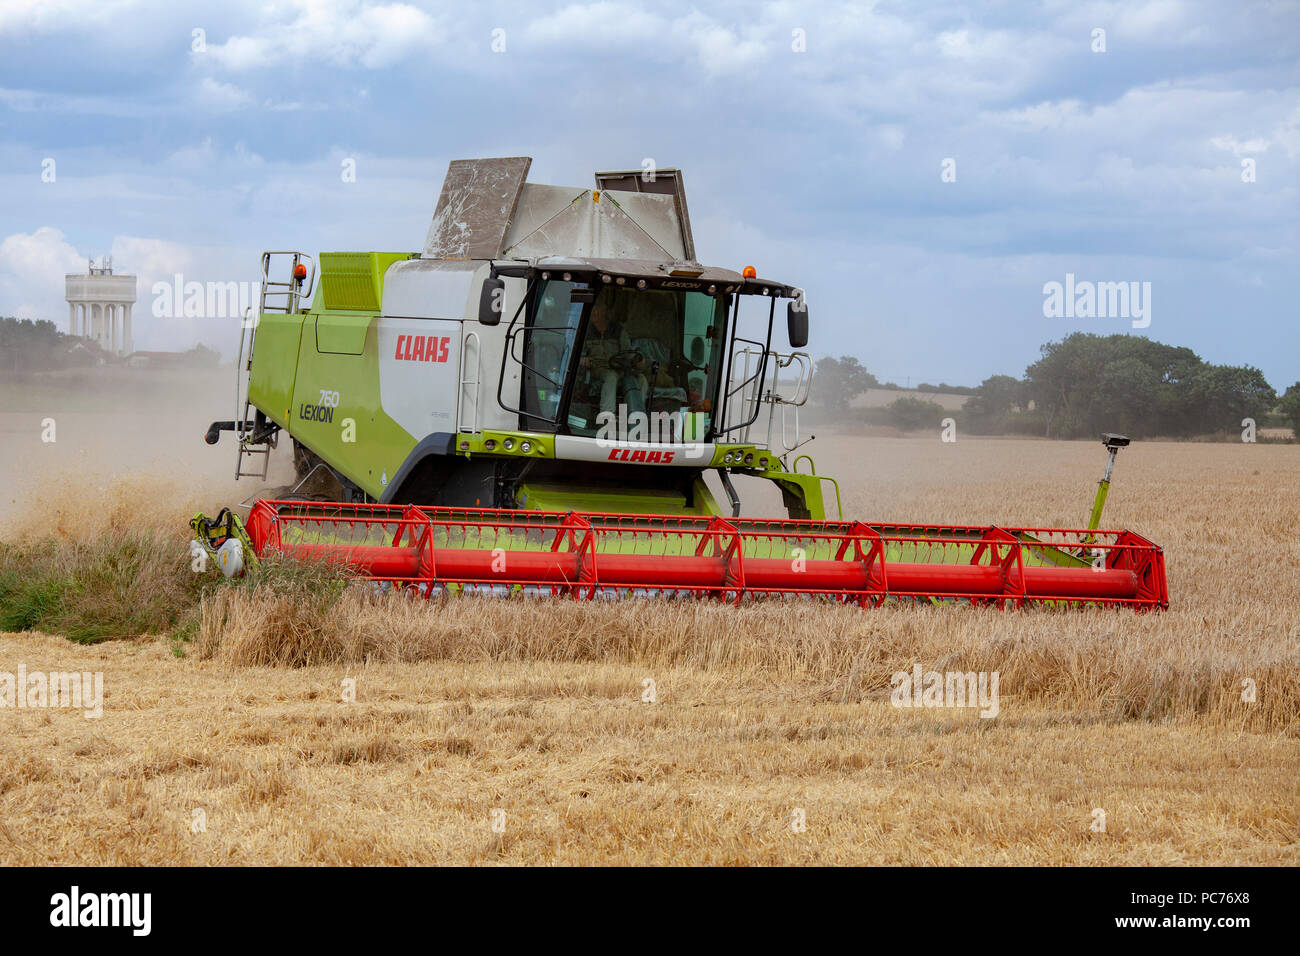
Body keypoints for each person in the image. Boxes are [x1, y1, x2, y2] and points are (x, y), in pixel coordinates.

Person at [579, 298, 644, 417]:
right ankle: (607, 416)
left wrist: (637, 360)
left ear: (605, 312)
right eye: (593, 309)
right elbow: (578, 356)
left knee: (642, 379)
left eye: (598, 309)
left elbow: (628, 352)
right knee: (611, 376)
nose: (595, 312)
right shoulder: (585, 331)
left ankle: (636, 415)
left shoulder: (618, 331)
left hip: (620, 368)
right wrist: (584, 360)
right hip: (597, 369)